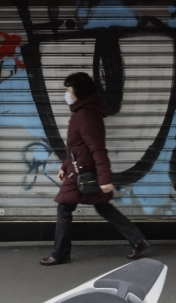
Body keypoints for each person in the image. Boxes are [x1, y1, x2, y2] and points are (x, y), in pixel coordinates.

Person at [40, 72, 150, 266]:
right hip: (79, 170)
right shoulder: (82, 113)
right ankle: (138, 240)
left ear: (78, 91)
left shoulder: (86, 115)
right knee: (103, 206)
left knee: (64, 208)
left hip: (83, 173)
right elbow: (76, 148)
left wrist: (105, 179)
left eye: (69, 90)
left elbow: (97, 149)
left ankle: (60, 254)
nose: (67, 94)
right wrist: (65, 166)